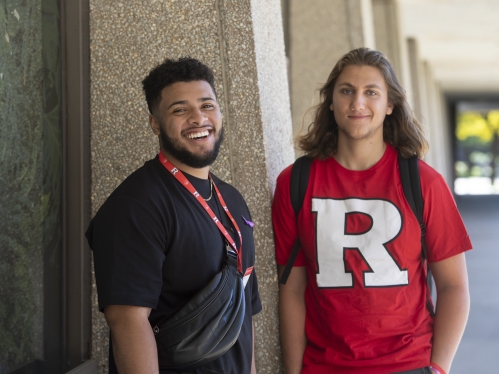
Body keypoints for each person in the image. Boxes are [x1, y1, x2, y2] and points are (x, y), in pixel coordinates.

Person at [272, 48, 471, 374]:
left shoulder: (423, 183)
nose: (357, 103)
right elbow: (292, 289)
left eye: (371, 92)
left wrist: (438, 368)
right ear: (331, 100)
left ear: (389, 104)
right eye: (346, 90)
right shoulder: (295, 182)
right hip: (325, 367)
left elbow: (454, 287)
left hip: (408, 364)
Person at [86, 57, 261, 374]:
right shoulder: (136, 206)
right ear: (155, 123)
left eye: (207, 105)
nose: (198, 118)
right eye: (180, 110)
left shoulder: (233, 201)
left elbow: (244, 311)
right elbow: (126, 321)